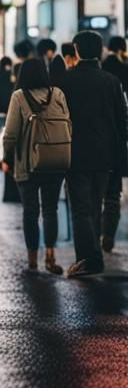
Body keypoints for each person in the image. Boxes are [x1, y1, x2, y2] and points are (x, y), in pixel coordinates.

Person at [61, 31, 128, 277]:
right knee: (95, 206)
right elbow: (123, 121)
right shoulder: (111, 81)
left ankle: (89, 259)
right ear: (99, 50)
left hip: (74, 152)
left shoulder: (66, 81)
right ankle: (93, 256)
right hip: (105, 154)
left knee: (80, 209)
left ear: (76, 49)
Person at [1, 58, 69, 274]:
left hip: (27, 163)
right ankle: (50, 254)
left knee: (30, 211)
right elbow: (69, 124)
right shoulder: (57, 93)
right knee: (51, 209)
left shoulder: (19, 96)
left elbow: (10, 134)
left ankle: (32, 258)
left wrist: (7, 158)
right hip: (56, 161)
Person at [100, 37, 128, 251]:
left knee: (92, 195)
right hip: (116, 144)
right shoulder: (123, 73)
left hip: (92, 145)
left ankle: (95, 234)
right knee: (113, 195)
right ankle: (108, 234)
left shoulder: (99, 73)